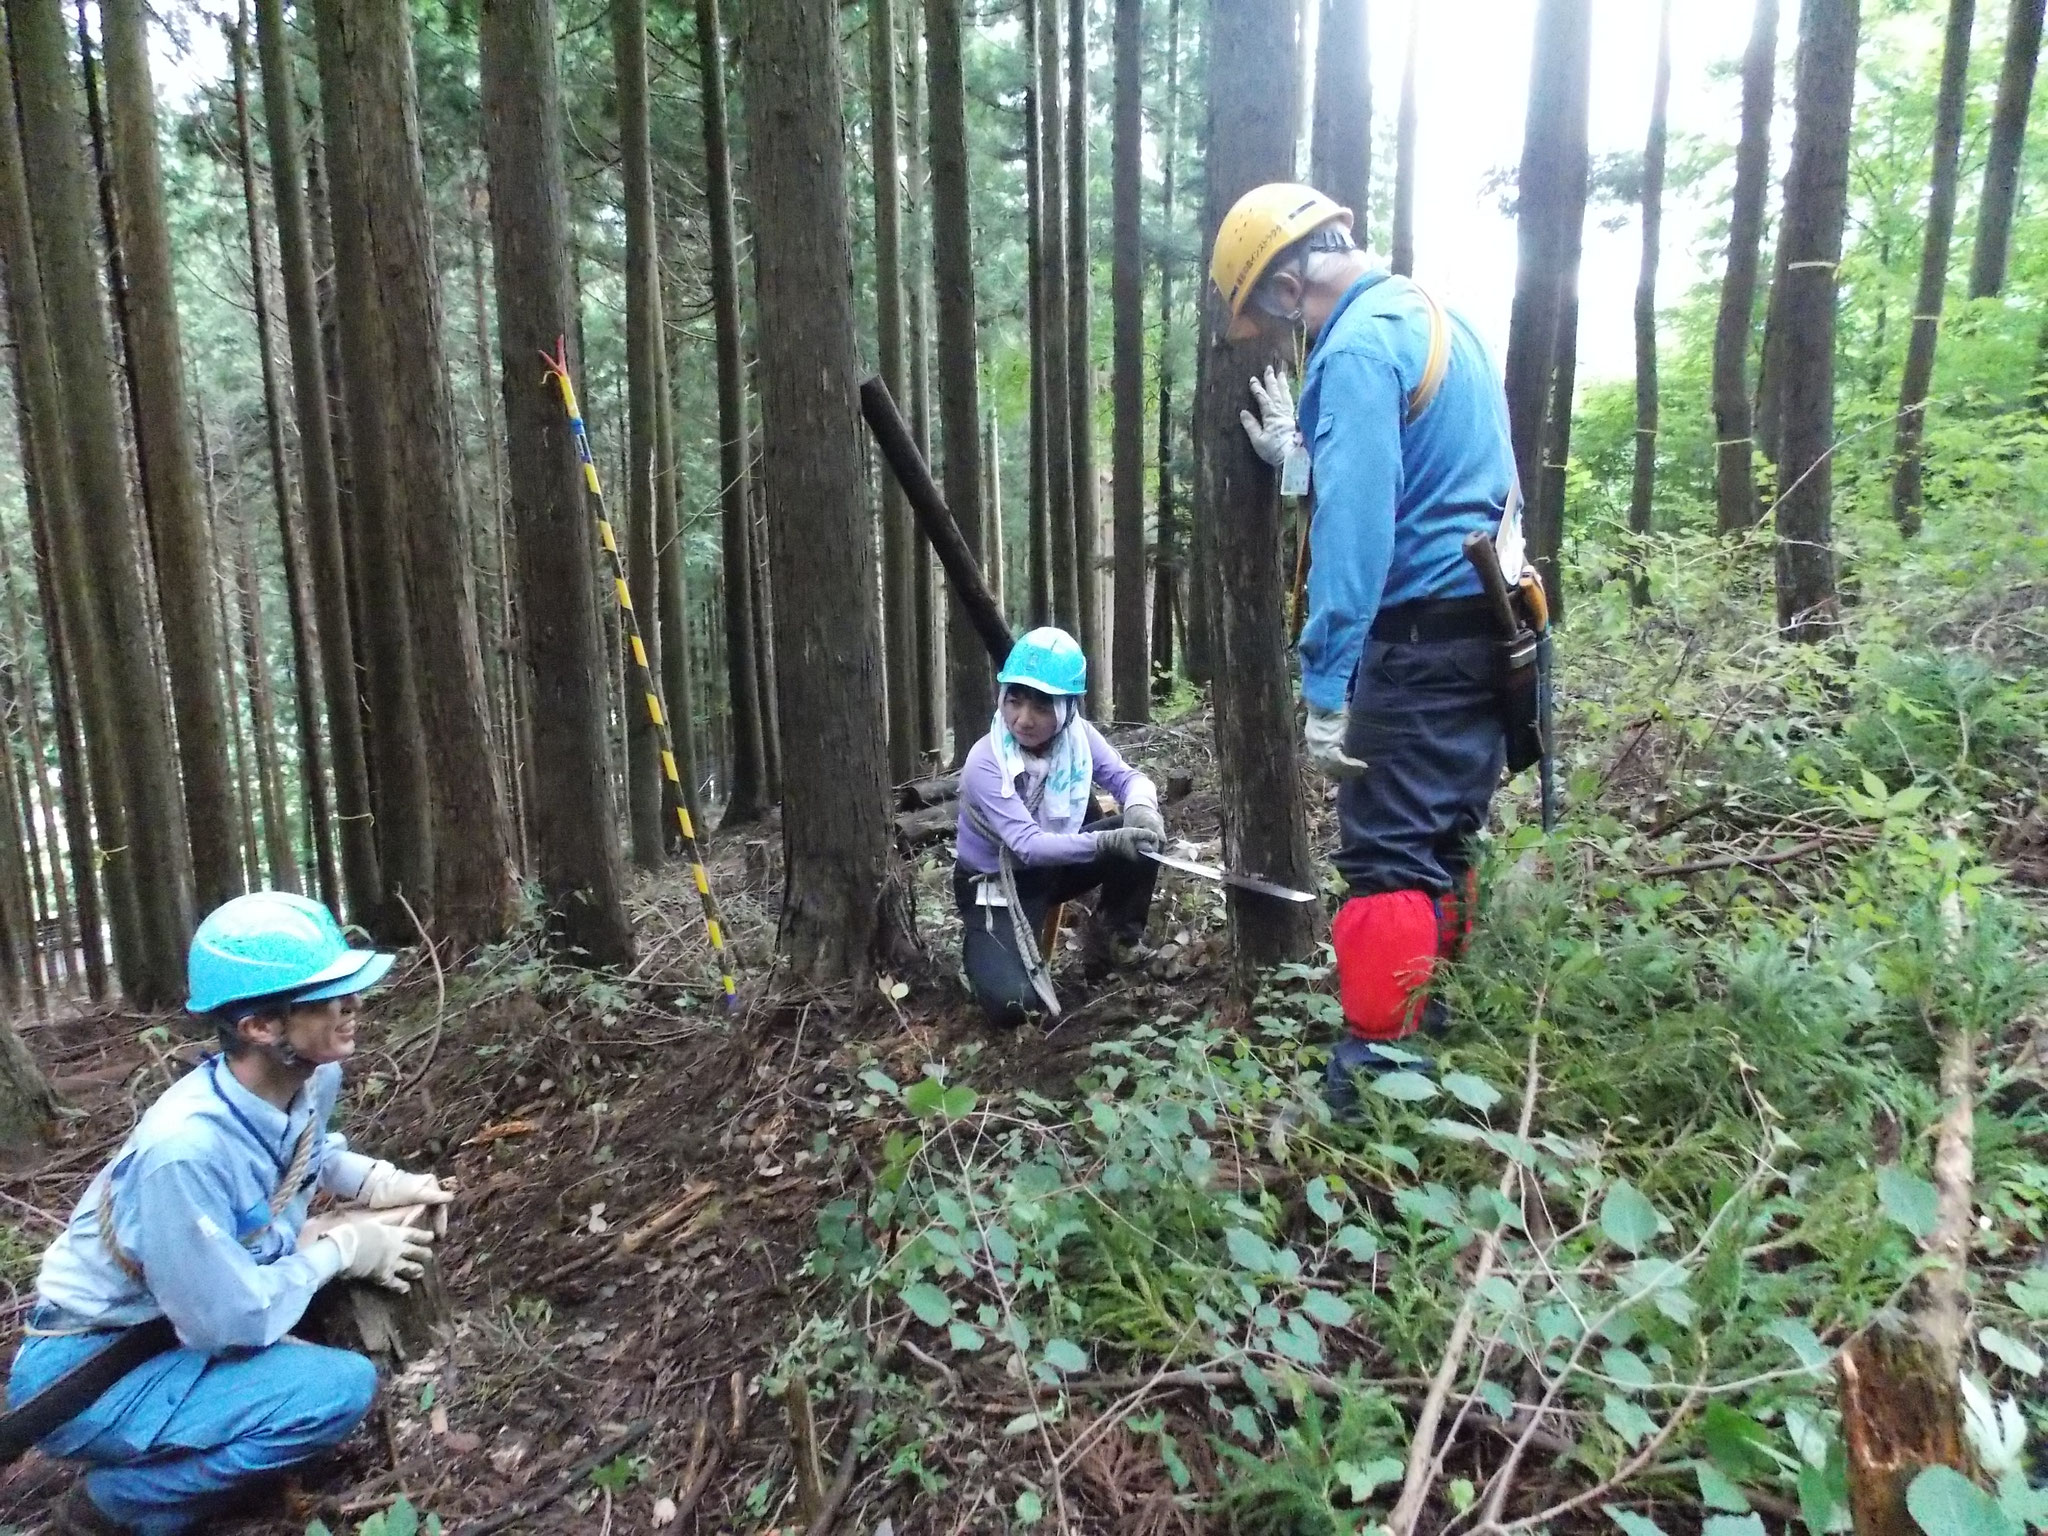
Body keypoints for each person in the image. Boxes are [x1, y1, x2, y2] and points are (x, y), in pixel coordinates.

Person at [1210, 183, 1521, 1109]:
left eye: (1271, 304)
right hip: (1488, 631)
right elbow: (1430, 478)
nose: (1280, 323)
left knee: (1387, 859)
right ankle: (1435, 1031)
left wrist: (1325, 682)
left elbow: (1358, 530)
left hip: (1419, 641)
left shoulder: (1350, 348)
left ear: (1282, 282)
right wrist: (1300, 458)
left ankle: (1378, 1090)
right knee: (1443, 840)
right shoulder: (1437, 320)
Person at [8, 892, 452, 1536]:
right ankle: (119, 1505)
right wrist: (343, 1250)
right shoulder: (183, 1153)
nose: (352, 1005)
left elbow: (309, 1148)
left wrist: (383, 1181)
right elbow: (227, 1320)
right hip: (97, 1365)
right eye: (327, 994)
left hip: (175, 1321)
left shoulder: (312, 1076)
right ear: (260, 1027)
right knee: (338, 1392)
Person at [954, 627, 1167, 1026]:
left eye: (1042, 706)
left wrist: (1142, 809)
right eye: (1014, 701)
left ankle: (1116, 939)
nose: (1023, 719)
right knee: (1014, 1006)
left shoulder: (1079, 737)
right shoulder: (985, 761)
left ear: (1068, 707)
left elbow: (1129, 779)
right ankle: (987, 954)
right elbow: (1028, 846)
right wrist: (1106, 842)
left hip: (1058, 867)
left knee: (1143, 841)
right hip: (998, 884)